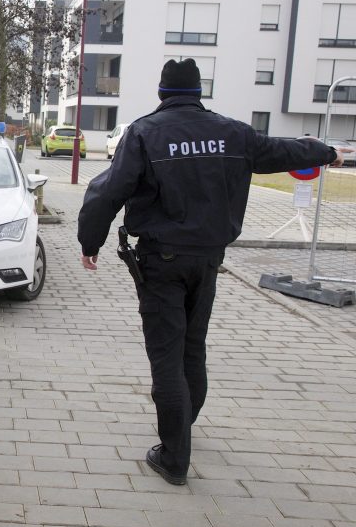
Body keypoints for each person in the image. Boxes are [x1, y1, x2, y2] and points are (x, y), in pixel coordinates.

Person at [77, 58, 350, 486]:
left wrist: (89, 242)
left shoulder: (145, 133)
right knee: (193, 346)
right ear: (198, 91)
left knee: (167, 356)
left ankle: (173, 458)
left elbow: (108, 190)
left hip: (161, 261)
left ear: (162, 92)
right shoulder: (233, 132)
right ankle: (183, 425)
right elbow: (282, 150)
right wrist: (327, 152)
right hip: (208, 259)